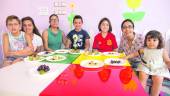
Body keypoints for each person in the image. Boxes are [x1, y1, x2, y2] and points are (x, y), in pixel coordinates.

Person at [124, 30, 170, 96]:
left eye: (154, 40)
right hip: (145, 65)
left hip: (158, 67)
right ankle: (140, 93)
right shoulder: (144, 49)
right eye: (149, 40)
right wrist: (127, 57)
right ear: (146, 41)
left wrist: (168, 64)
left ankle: (154, 94)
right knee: (142, 75)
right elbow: (134, 54)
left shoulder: (162, 50)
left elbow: (167, 60)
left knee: (158, 79)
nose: (151, 42)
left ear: (159, 41)